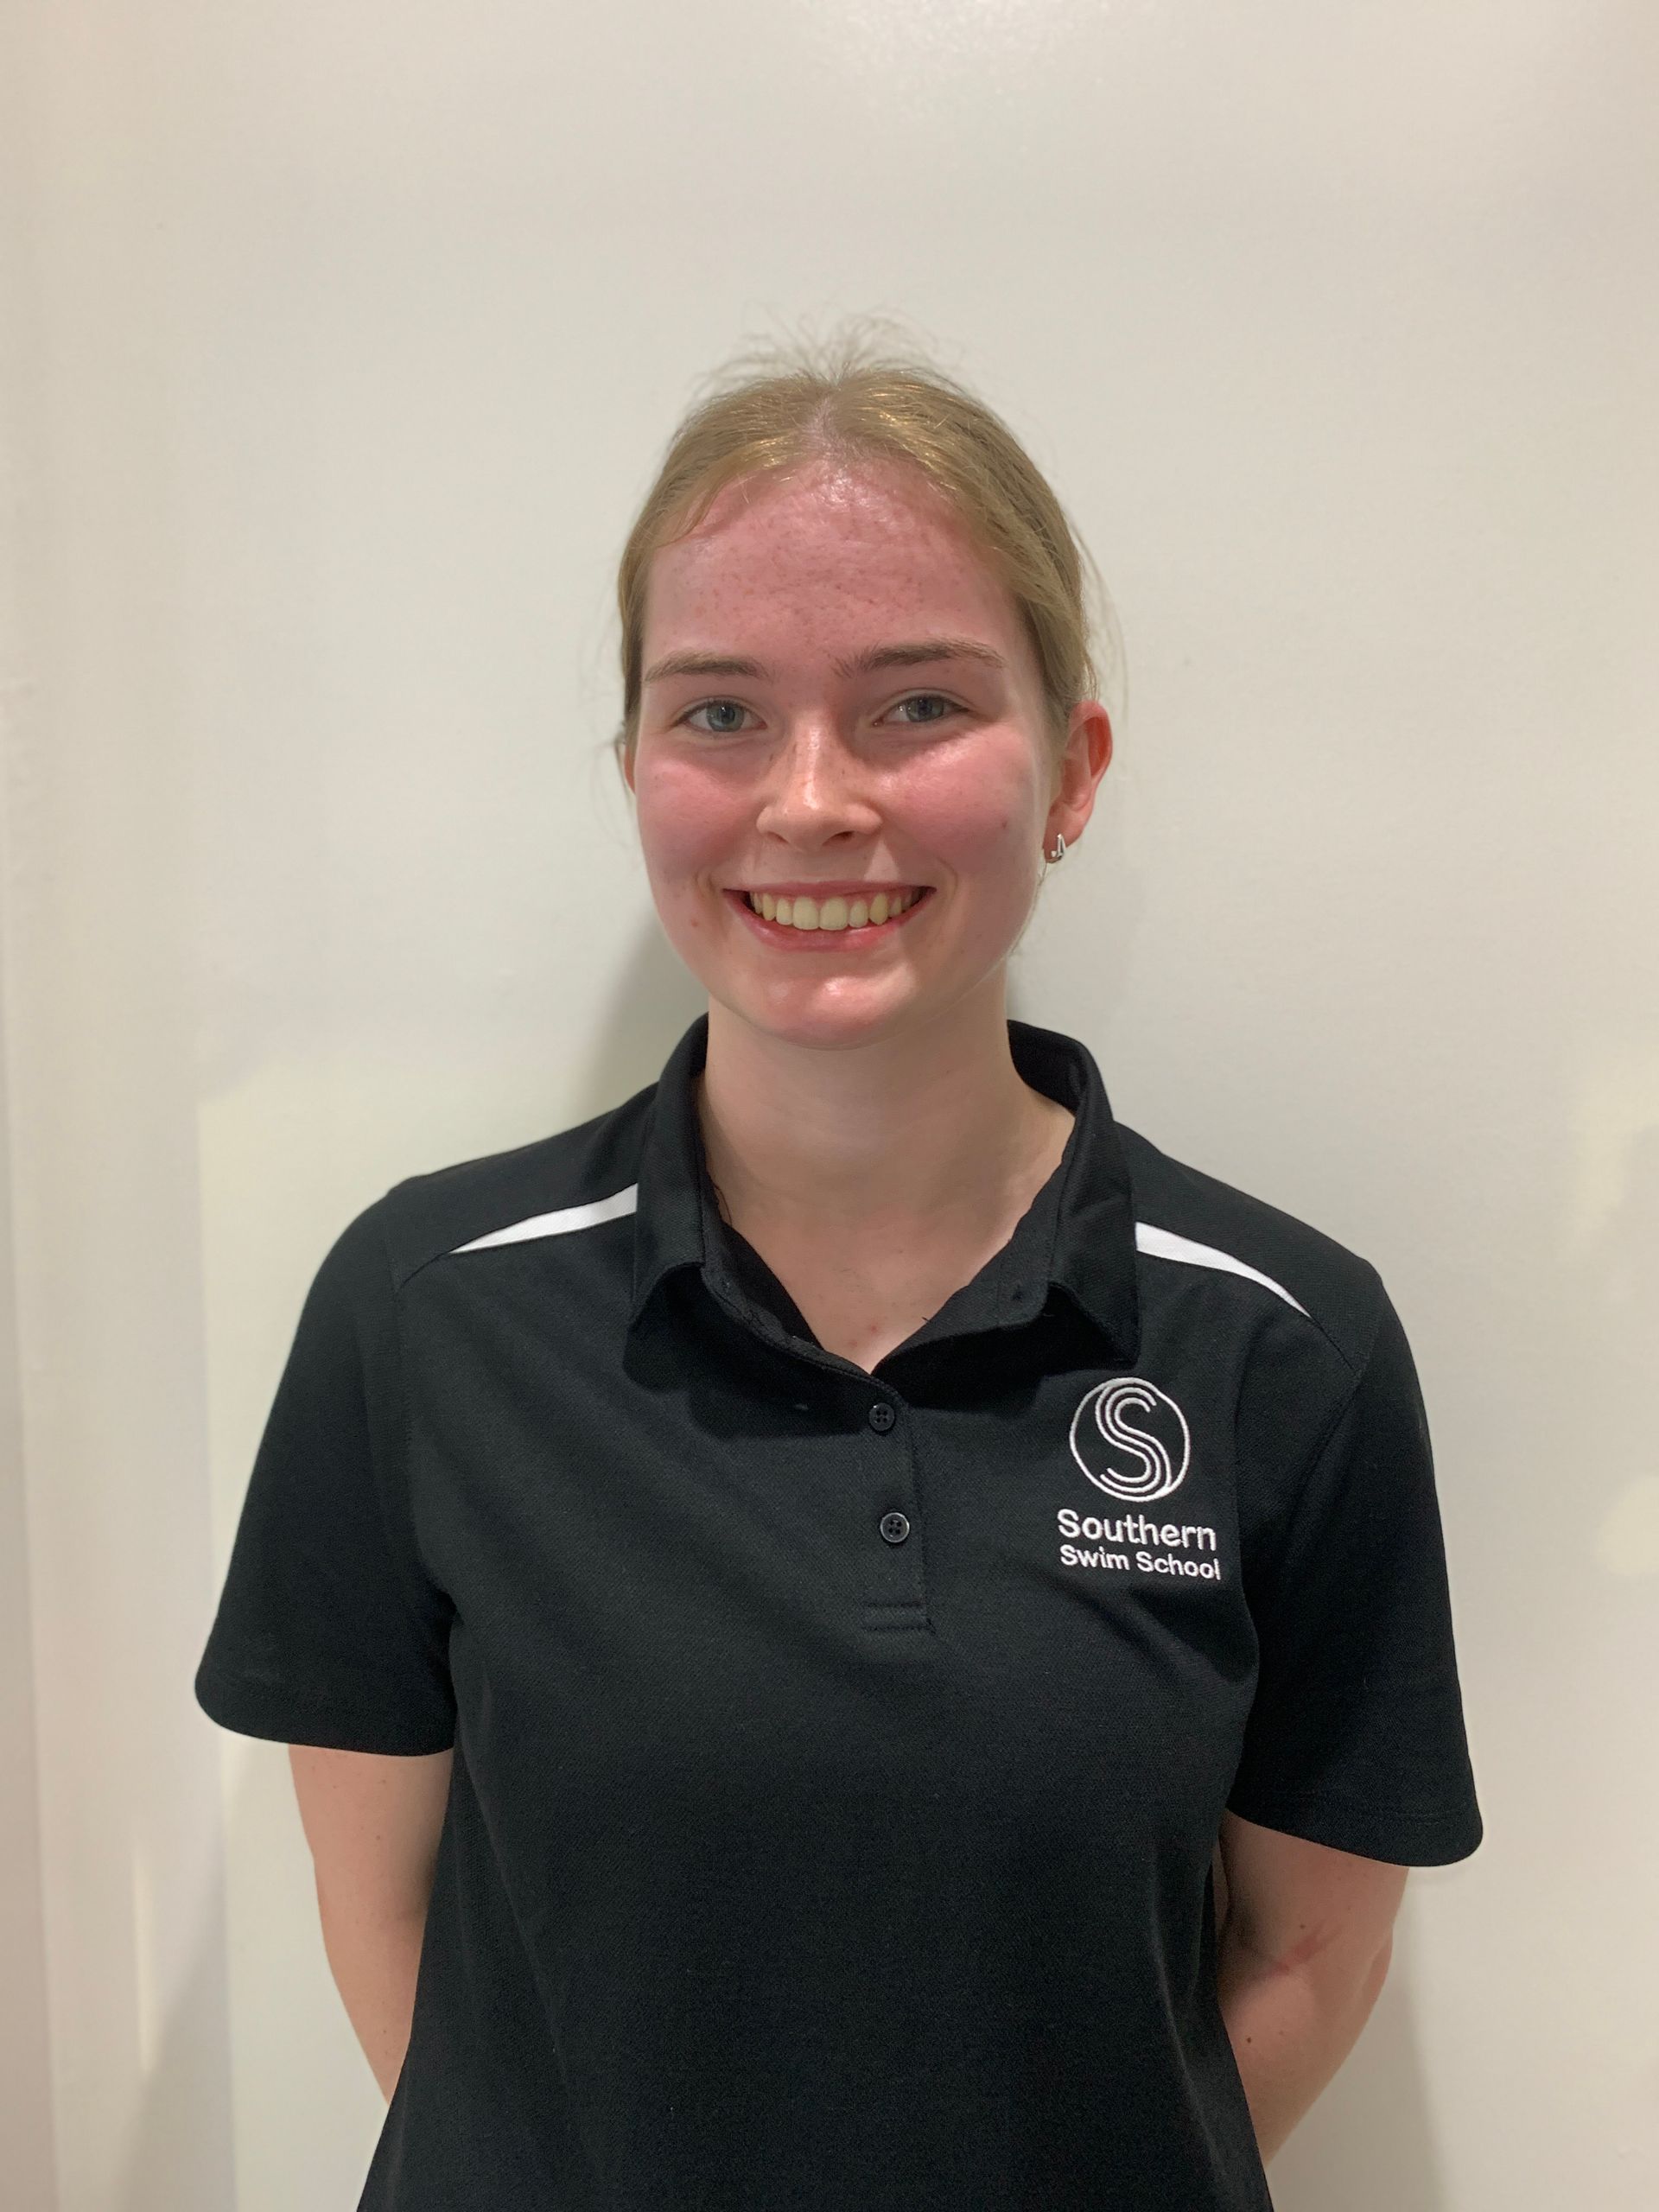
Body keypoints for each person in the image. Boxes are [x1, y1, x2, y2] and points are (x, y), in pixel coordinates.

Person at [194, 328, 1483, 2212]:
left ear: (1074, 766)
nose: (811, 799)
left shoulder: (1284, 1344)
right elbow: (389, 1914)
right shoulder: (425, 1309)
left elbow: (1305, 1958)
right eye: (720, 712)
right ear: (635, 761)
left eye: (915, 705)